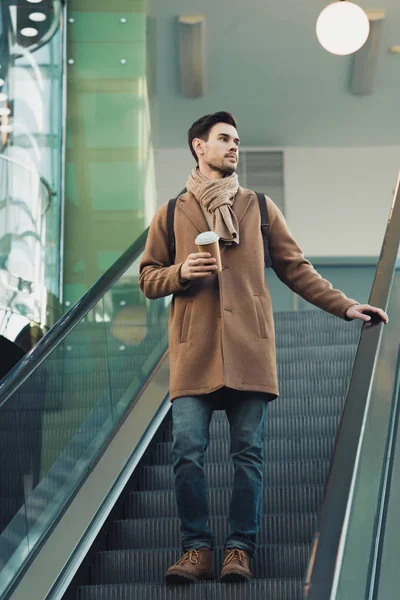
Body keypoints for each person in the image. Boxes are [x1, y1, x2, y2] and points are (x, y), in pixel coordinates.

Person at [138, 111, 389, 584]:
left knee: (247, 453)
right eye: (224, 139)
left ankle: (239, 549)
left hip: (250, 349)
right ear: (199, 146)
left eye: (237, 141)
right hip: (193, 352)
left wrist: (347, 306)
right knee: (187, 450)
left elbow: (297, 269)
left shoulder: (260, 207)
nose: (235, 147)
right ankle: (196, 550)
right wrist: (180, 274)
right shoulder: (171, 213)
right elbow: (148, 277)